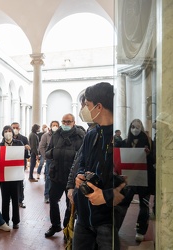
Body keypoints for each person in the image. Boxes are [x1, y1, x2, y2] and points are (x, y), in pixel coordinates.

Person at [73, 82, 126, 250]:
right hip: (83, 218)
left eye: (87, 105)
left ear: (99, 107)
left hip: (106, 220)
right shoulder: (91, 135)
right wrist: (80, 176)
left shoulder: (122, 139)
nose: (84, 110)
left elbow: (132, 182)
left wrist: (106, 196)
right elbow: (82, 163)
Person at [44, 114, 85, 238]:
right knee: (52, 200)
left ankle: (67, 227)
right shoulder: (56, 134)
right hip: (56, 174)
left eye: (68, 122)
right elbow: (48, 152)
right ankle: (55, 224)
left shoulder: (80, 136)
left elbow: (82, 156)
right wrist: (53, 152)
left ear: (74, 122)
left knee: (70, 204)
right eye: (64, 121)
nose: (66, 124)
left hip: (70, 177)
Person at [114, 119, 155, 242]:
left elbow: (154, 160)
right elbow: (116, 157)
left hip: (145, 179)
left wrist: (148, 155)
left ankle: (141, 230)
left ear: (141, 128)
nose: (135, 129)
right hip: (128, 179)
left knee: (144, 205)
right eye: (133, 126)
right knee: (123, 204)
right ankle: (116, 228)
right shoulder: (124, 142)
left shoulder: (149, 143)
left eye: (137, 127)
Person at [0, 125, 24, 229]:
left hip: (16, 176)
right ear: (3, 133)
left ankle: (16, 221)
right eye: (6, 131)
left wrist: (26, 149)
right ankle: (5, 220)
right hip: (4, 177)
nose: (8, 133)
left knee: (15, 199)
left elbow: (25, 156)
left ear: (13, 133)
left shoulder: (19, 143)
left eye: (9, 131)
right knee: (5, 199)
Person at [39, 121, 59, 203]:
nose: (55, 126)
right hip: (50, 159)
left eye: (56, 125)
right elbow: (41, 147)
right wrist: (46, 157)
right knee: (48, 177)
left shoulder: (60, 135)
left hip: (58, 160)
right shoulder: (45, 135)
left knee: (57, 177)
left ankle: (55, 196)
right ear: (50, 126)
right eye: (53, 125)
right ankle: (47, 195)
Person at [11, 122, 31, 208]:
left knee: (20, 183)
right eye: (13, 127)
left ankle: (20, 200)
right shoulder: (7, 138)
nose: (15, 129)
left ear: (19, 129)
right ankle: (12, 199)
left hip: (20, 164)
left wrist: (27, 149)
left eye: (17, 127)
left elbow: (27, 155)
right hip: (9, 165)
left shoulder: (24, 139)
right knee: (11, 183)